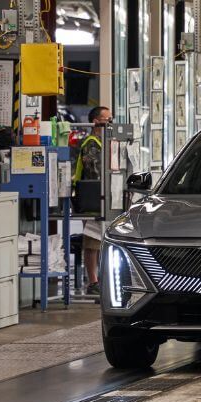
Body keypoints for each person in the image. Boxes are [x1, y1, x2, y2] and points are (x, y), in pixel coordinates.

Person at [73, 106, 111, 296]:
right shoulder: (91, 143)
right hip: (92, 199)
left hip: (103, 198)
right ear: (96, 121)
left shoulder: (105, 141)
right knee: (92, 242)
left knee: (101, 241)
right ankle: (93, 281)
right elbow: (94, 173)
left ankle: (102, 279)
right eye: (106, 118)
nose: (110, 121)